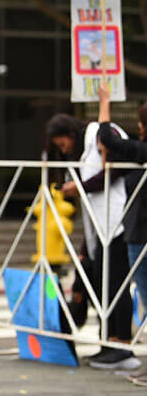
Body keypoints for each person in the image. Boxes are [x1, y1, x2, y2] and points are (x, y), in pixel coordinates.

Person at [46, 107, 137, 370]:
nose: (64, 151)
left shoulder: (101, 135)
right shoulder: (86, 149)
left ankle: (122, 346)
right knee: (102, 283)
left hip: (120, 222)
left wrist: (81, 187)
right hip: (103, 228)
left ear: (70, 133)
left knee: (116, 285)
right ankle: (109, 342)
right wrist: (87, 247)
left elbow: (113, 172)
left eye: (63, 144)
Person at [83, 84, 145, 378]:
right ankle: (114, 343)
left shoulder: (142, 151)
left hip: (137, 231)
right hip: (132, 229)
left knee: (134, 289)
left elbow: (107, 138)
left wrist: (105, 102)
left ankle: (121, 345)